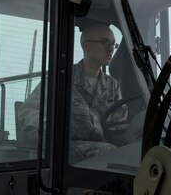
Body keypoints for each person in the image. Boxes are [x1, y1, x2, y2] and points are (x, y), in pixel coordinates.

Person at [18, 22, 127, 163]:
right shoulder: (61, 78)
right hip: (64, 149)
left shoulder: (112, 85)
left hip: (101, 149)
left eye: (113, 44)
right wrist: (58, 128)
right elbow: (27, 112)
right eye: (104, 42)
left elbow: (119, 125)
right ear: (87, 46)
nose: (111, 49)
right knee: (110, 153)